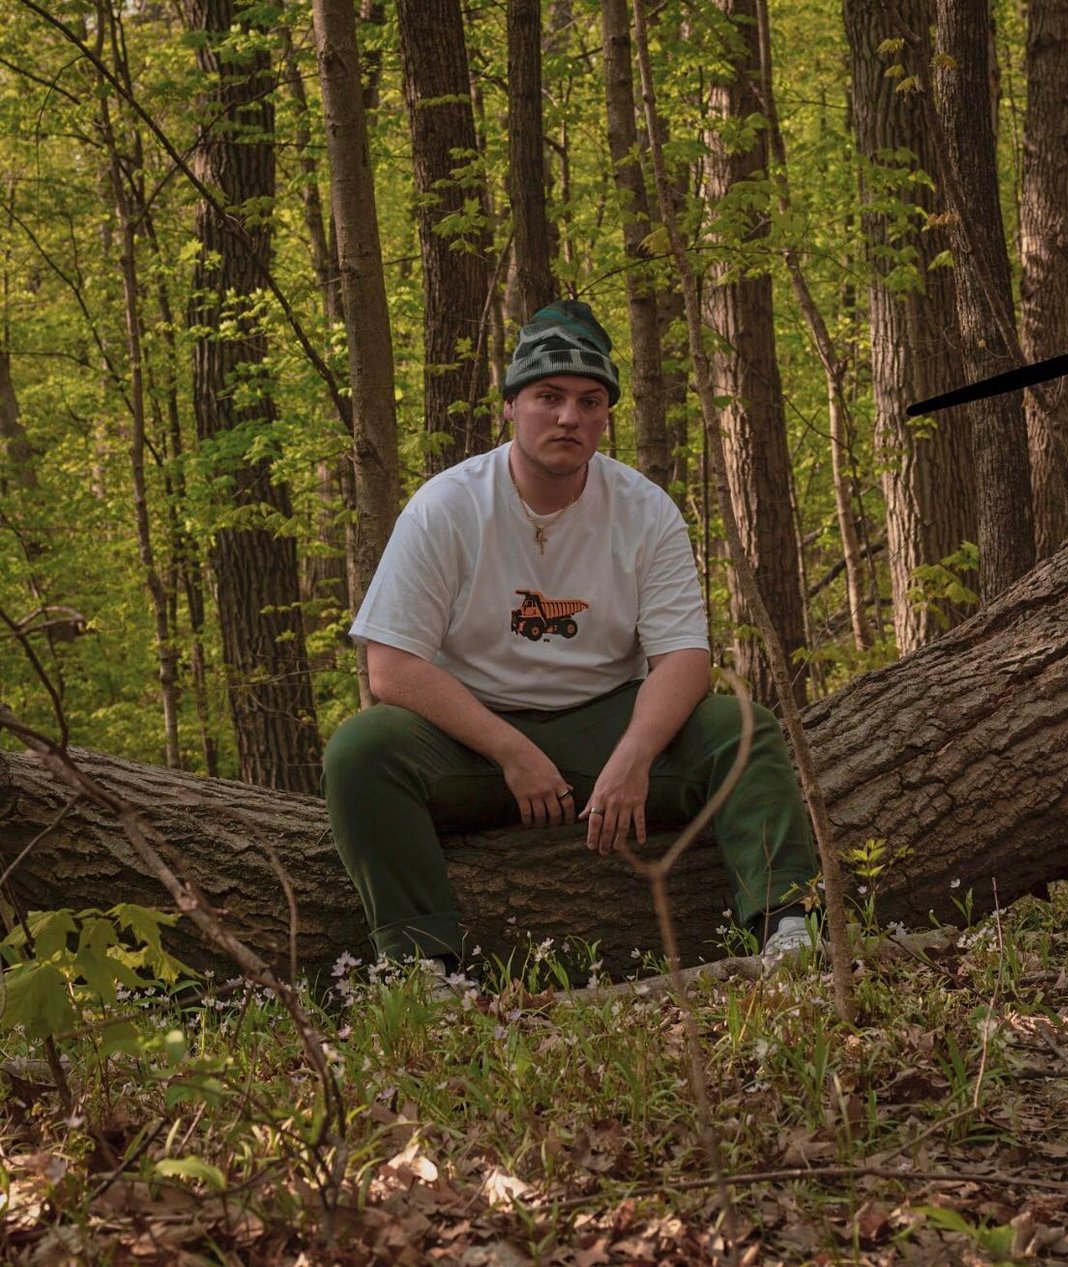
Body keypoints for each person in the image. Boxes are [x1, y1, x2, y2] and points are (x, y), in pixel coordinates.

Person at [323, 298, 819, 981]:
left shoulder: (644, 511)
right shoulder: (447, 506)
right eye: (548, 396)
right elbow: (392, 668)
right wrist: (509, 748)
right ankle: (418, 968)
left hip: (606, 723)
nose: (569, 417)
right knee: (360, 751)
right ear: (509, 405)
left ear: (606, 414)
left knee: (742, 726)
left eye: (590, 401)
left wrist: (635, 756)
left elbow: (684, 658)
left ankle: (786, 924)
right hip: (473, 736)